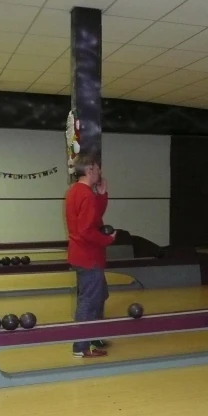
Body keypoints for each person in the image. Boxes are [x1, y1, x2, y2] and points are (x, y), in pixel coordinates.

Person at [64, 151, 116, 358]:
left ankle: (93, 337)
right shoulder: (84, 194)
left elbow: (94, 218)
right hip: (88, 256)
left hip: (82, 255)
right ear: (89, 170)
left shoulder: (76, 191)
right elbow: (86, 230)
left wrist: (102, 195)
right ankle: (81, 346)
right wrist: (108, 239)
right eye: (97, 168)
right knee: (88, 300)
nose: (100, 171)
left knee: (100, 294)